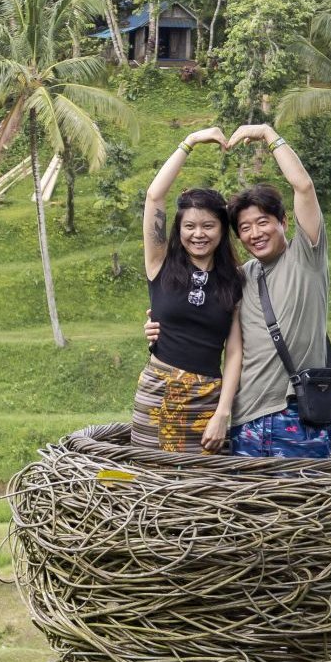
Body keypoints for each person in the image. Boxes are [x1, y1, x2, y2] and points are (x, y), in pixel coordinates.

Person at [146, 122, 331, 457]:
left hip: (295, 417)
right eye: (245, 227)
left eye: (263, 222)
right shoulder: (241, 276)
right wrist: (159, 324)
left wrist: (267, 134)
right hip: (245, 420)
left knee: (295, 507)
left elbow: (303, 187)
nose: (255, 233)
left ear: (284, 223)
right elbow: (155, 198)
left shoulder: (306, 258)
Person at [131, 126, 244, 452]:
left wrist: (223, 411)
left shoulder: (234, 279)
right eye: (189, 226)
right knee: (151, 478)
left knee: (201, 487)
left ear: (222, 231)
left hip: (207, 399)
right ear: (178, 230)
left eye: (208, 226)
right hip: (157, 391)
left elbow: (234, 351)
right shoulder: (160, 264)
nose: (199, 234)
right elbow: (154, 196)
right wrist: (190, 141)